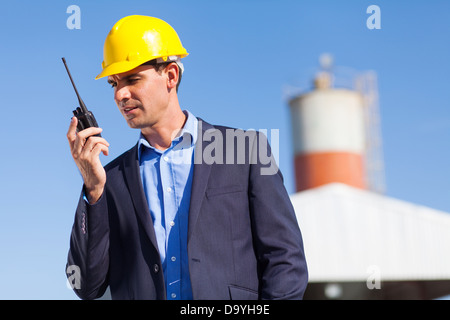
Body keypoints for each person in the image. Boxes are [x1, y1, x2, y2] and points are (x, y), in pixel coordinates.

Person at [66, 15, 308, 300]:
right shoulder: (110, 180)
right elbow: (86, 286)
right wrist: (93, 190)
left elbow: (285, 260)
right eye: (114, 84)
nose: (120, 94)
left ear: (171, 75)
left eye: (133, 79)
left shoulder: (245, 150)